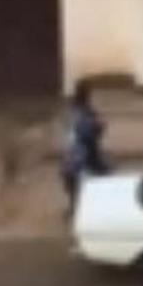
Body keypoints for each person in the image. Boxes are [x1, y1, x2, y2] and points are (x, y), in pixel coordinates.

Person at [60, 81, 109, 218]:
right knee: (93, 178)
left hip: (74, 154)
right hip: (81, 154)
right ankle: (81, 210)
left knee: (75, 182)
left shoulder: (74, 110)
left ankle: (75, 208)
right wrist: (99, 127)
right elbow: (89, 130)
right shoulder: (82, 113)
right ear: (87, 96)